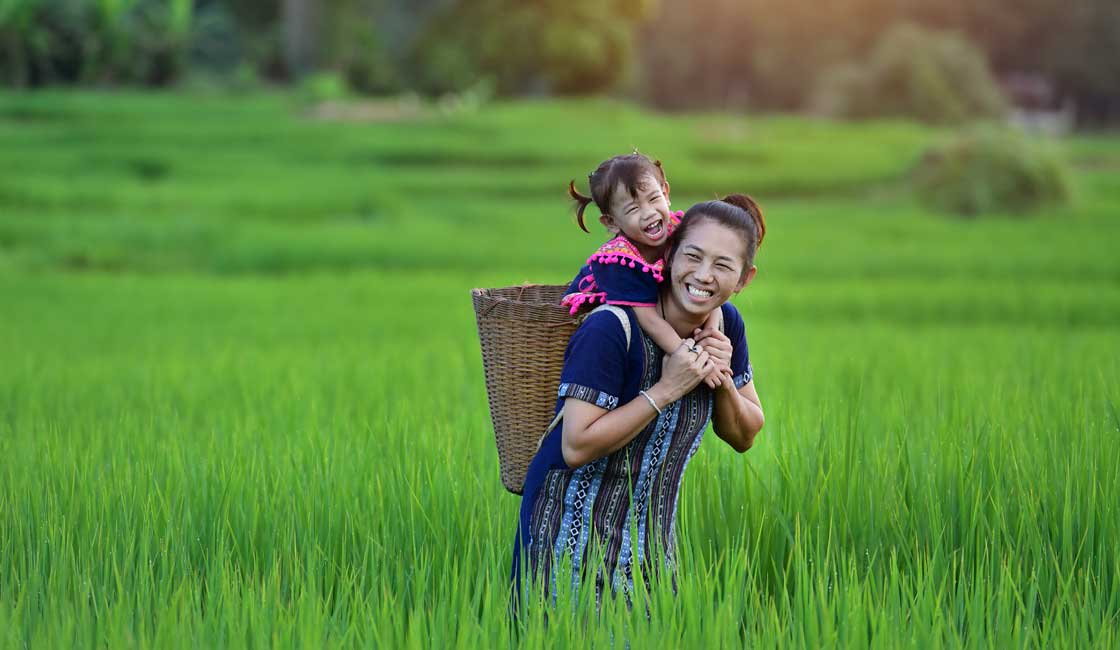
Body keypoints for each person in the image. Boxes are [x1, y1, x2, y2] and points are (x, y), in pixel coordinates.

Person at [511, 194, 768, 613]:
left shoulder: (728, 326)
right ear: (668, 254)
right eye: (693, 256)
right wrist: (667, 389)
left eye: (723, 266)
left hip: (650, 549)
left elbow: (745, 434)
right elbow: (575, 445)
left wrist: (720, 379)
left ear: (744, 278)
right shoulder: (611, 329)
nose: (703, 276)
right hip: (567, 543)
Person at [563, 153, 723, 387]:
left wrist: (710, 337)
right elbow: (648, 319)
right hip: (609, 322)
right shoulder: (619, 261)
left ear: (666, 193)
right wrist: (693, 360)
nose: (648, 213)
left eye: (653, 198)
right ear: (611, 222)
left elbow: (707, 287)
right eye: (632, 209)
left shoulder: (682, 231)